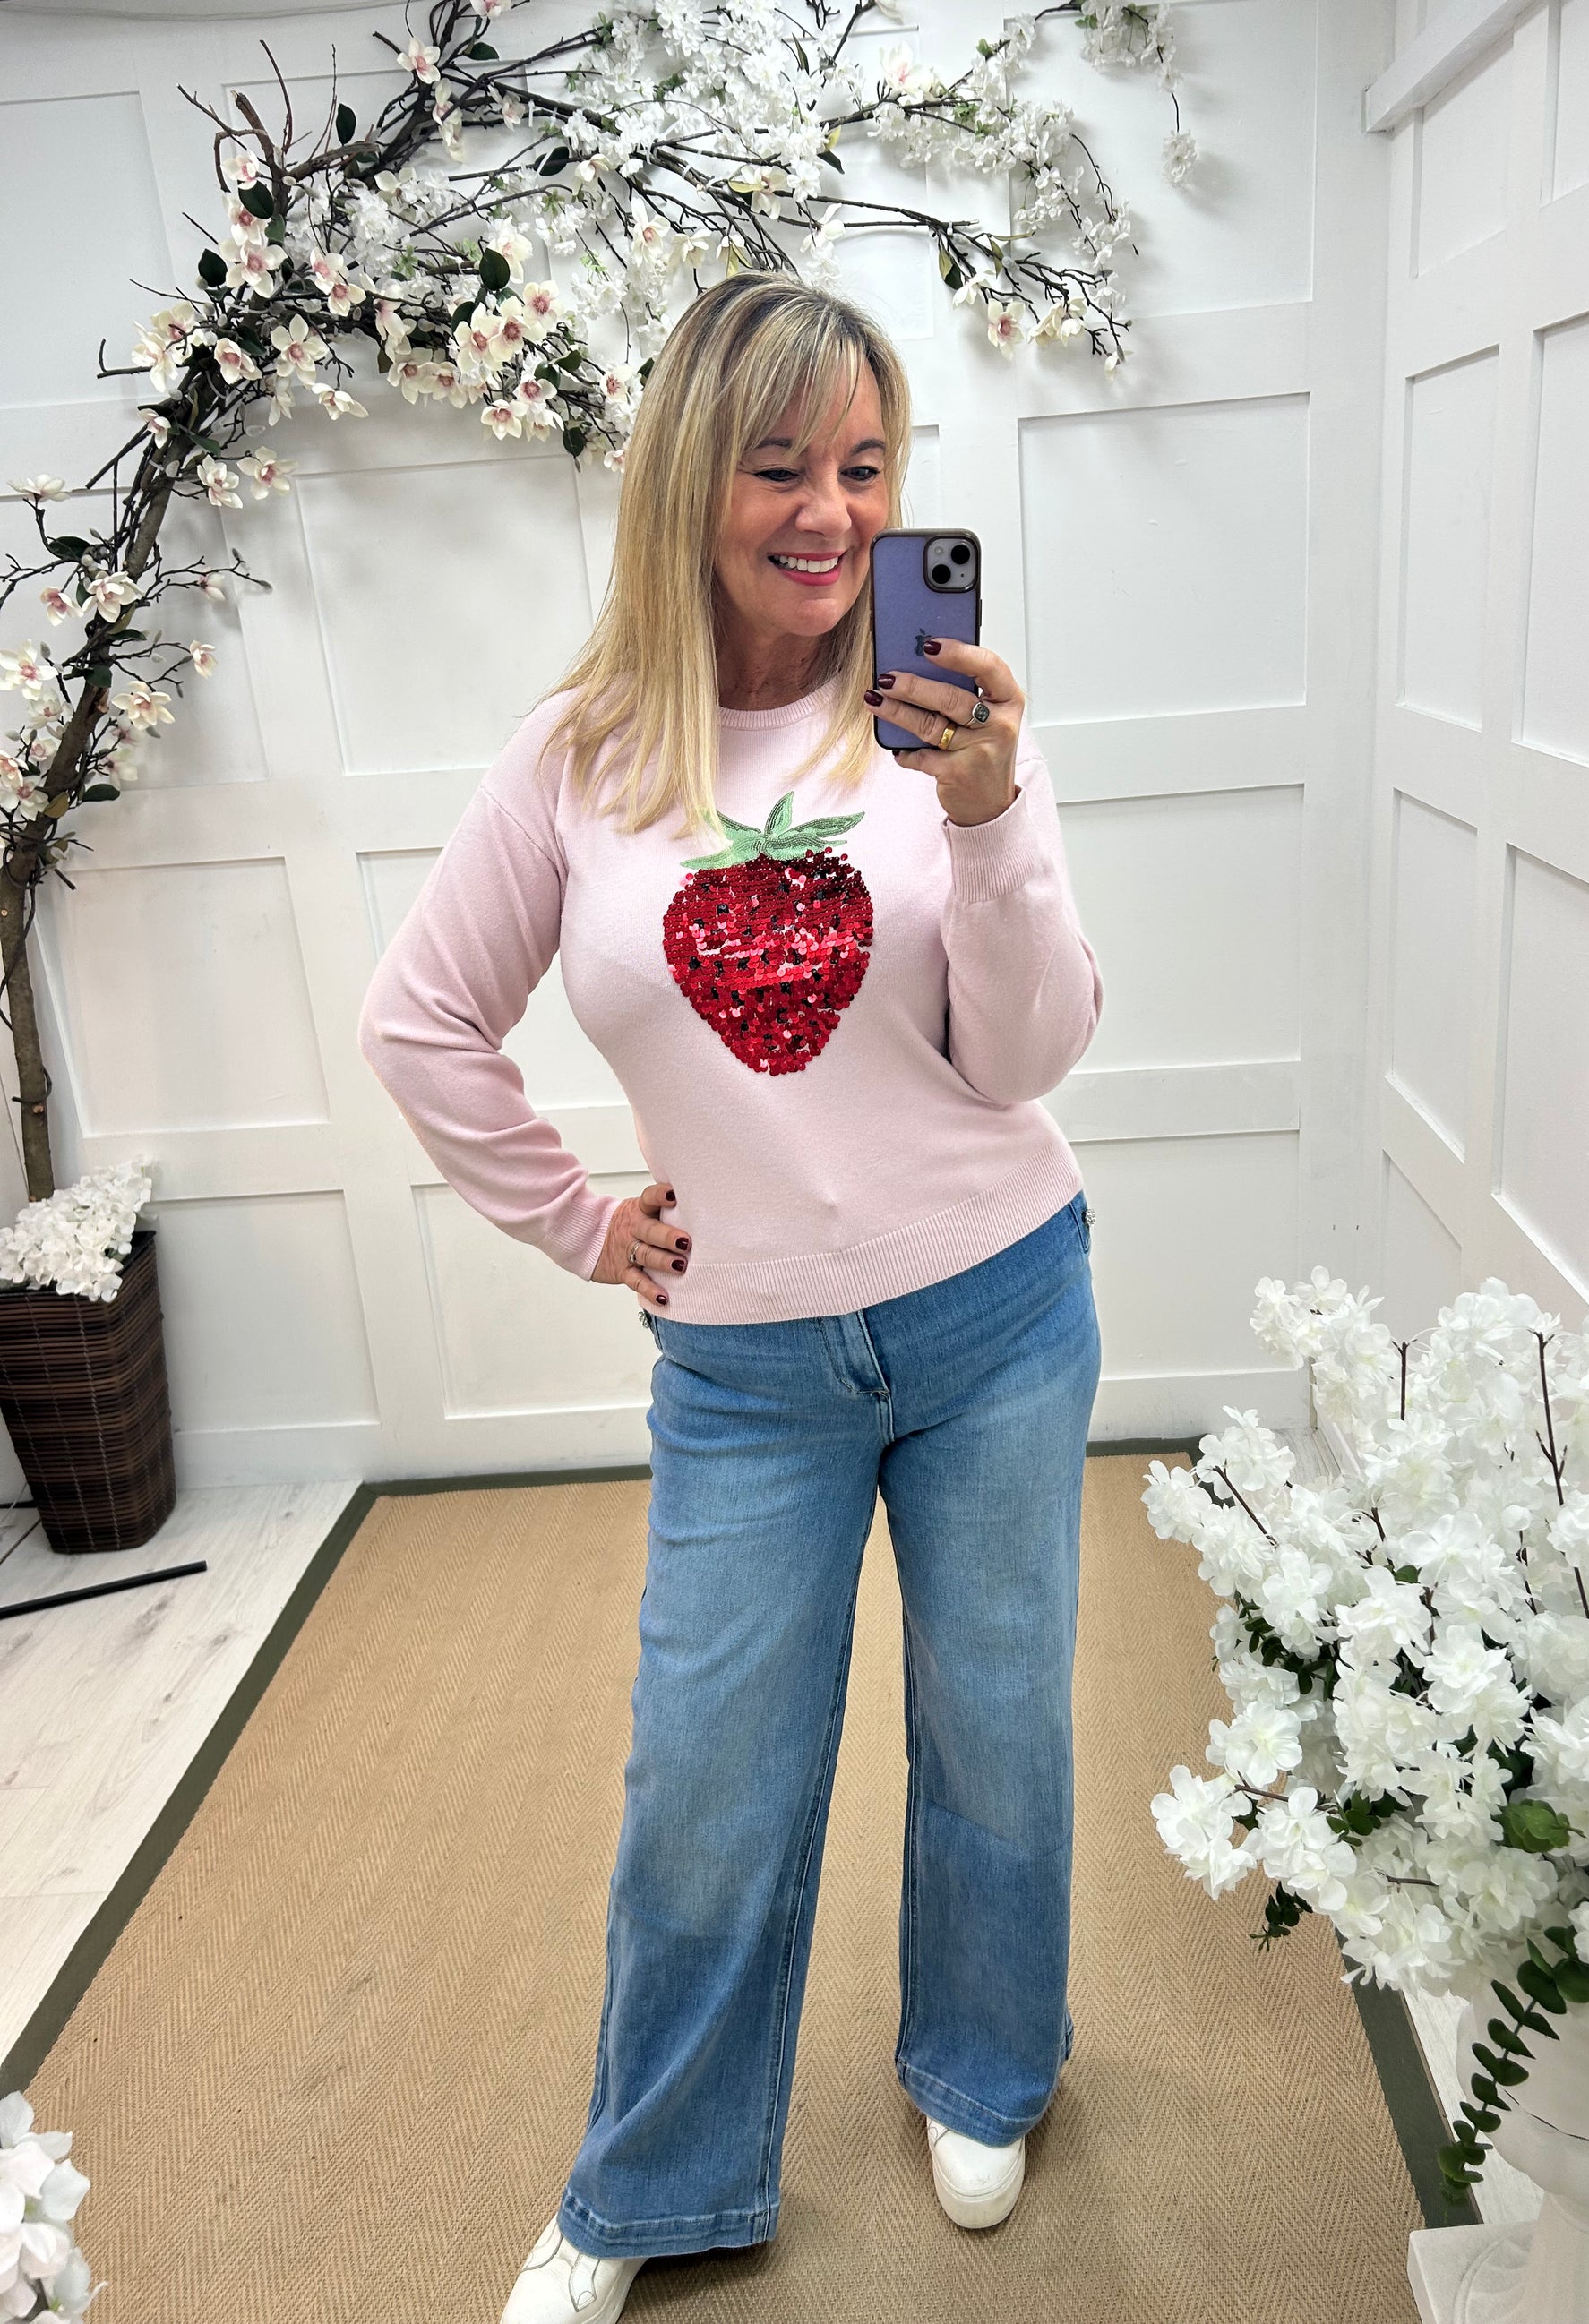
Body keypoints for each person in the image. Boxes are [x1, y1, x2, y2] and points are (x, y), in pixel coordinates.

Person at [356, 270, 1104, 2324]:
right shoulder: (580, 755)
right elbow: (420, 1021)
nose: (831, 512)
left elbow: (1030, 1054)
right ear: (690, 478)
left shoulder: (945, 725)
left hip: (998, 1310)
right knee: (705, 1782)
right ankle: (649, 2178)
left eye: (865, 465)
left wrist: (988, 814)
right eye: (780, 464)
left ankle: (985, 2063)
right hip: (746, 1370)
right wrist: (580, 1221)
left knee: (999, 1729)